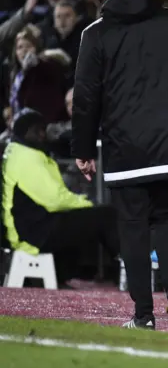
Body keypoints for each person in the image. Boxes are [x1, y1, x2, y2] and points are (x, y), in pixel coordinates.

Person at [71, 0, 168, 331]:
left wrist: (83, 149)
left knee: (132, 227)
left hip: (125, 148)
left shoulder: (95, 34)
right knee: (166, 220)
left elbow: (86, 96)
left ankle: (144, 314)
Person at [2, 109, 119, 285]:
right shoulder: (27, 157)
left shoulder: (20, 152)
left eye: (44, 129)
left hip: (29, 227)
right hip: (32, 233)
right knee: (106, 217)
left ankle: (61, 277)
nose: (43, 134)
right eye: (38, 130)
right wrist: (85, 202)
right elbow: (54, 200)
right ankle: (128, 270)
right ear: (25, 132)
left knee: (81, 223)